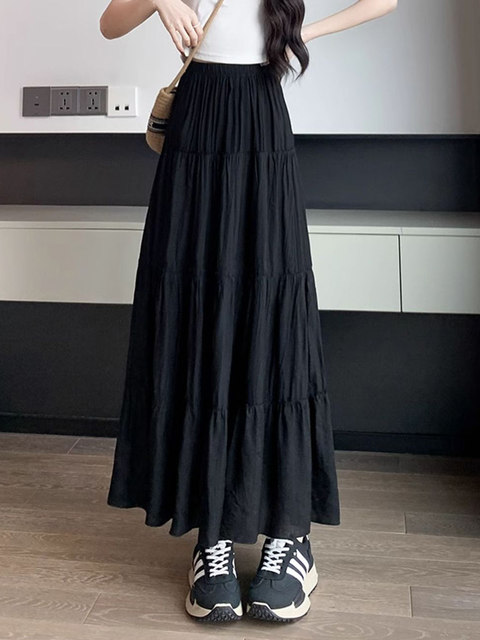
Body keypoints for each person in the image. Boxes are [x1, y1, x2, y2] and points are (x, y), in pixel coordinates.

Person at [100, 0, 398, 624]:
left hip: (260, 121)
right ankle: (211, 534)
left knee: (272, 320)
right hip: (195, 130)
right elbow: (110, 23)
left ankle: (290, 536)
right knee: (196, 317)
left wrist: (302, 34)